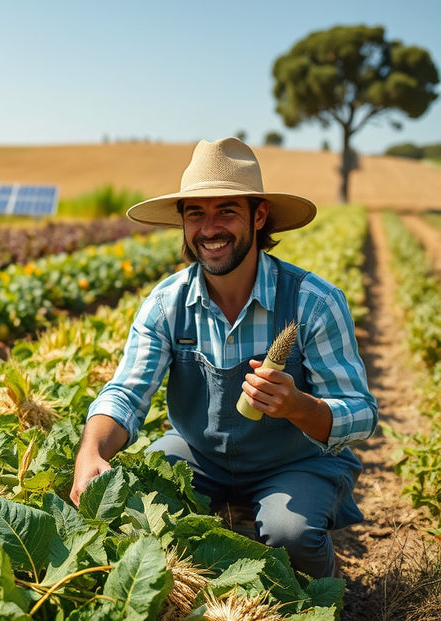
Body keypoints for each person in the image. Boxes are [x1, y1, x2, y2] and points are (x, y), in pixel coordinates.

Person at [68, 137, 377, 578]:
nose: (209, 229)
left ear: (259, 215)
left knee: (290, 534)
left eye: (226, 211)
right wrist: (91, 451)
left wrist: (299, 406)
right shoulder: (166, 304)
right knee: (135, 511)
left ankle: (331, 593)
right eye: (196, 214)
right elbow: (126, 392)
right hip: (200, 454)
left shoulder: (313, 301)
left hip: (299, 458)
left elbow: (362, 413)